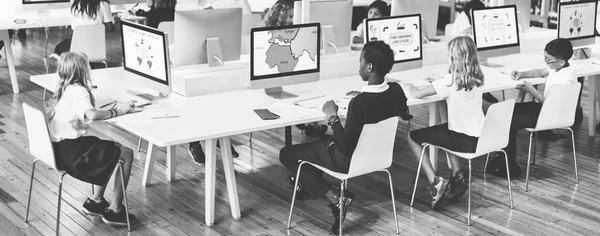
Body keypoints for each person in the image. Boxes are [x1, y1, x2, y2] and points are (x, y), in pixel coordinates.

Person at [279, 41, 408, 234]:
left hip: (348, 160)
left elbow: (347, 147)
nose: (359, 65)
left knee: (287, 154)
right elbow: (403, 109)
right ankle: (311, 185)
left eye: (360, 61)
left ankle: (335, 197)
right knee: (318, 147)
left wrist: (332, 116)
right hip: (379, 156)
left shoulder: (360, 103)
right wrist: (364, 98)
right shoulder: (396, 90)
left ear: (369, 67)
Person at [46, 52, 137, 226]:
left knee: (112, 147)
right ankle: (116, 210)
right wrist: (120, 110)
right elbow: (92, 115)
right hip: (74, 157)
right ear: (83, 70)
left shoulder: (63, 88)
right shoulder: (79, 91)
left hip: (61, 151)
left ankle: (96, 202)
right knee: (126, 153)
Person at [406, 36, 484, 209]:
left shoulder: (449, 81)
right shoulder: (479, 78)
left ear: (454, 59)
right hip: (481, 139)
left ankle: (435, 182)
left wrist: (410, 86)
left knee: (412, 137)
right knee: (445, 129)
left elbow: (417, 94)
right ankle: (457, 175)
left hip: (461, 140)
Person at [486, 38, 577, 178]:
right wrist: (522, 74)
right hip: (546, 110)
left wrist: (531, 91)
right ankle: (501, 156)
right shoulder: (563, 67)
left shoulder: (564, 80)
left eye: (548, 60)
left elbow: (550, 105)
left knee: (509, 120)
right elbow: (539, 72)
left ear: (561, 62)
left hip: (550, 115)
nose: (546, 62)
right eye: (545, 58)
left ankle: (509, 167)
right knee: (508, 110)